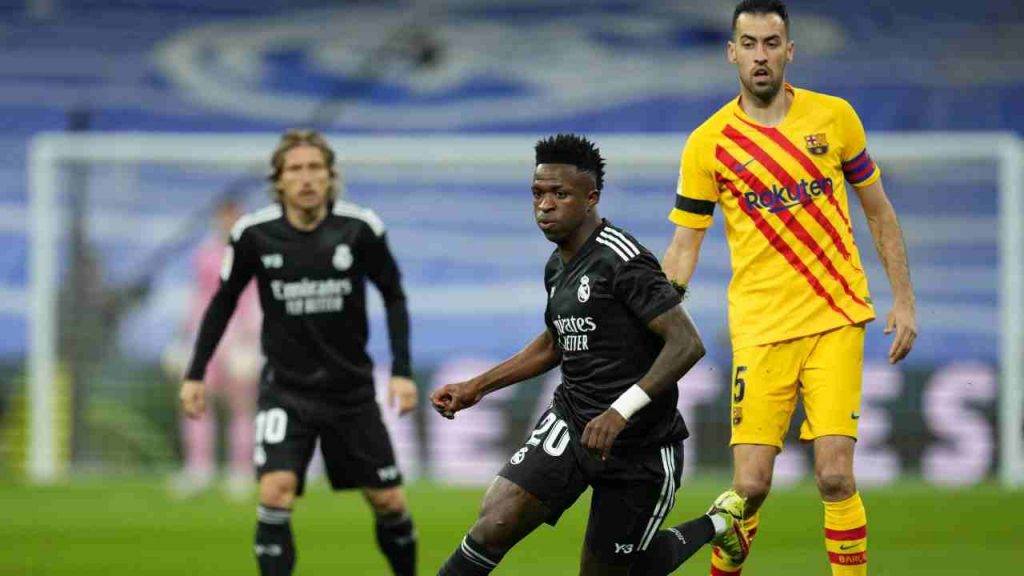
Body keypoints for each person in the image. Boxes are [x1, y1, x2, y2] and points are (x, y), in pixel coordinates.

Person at [662, 2, 917, 575]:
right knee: (749, 486)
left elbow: (878, 211)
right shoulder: (709, 143)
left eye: (771, 43)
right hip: (759, 329)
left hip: (836, 317)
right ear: (732, 53)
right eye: (748, 43)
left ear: (789, 51)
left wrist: (903, 299)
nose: (760, 55)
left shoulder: (835, 118)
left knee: (835, 473)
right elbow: (685, 245)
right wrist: (656, 316)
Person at [431, 134, 750, 576]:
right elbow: (552, 343)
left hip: (640, 445)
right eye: (538, 194)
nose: (545, 205)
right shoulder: (558, 265)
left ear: (590, 198)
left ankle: (720, 523)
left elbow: (687, 343)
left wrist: (620, 412)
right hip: (573, 422)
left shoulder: (623, 259)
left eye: (559, 194)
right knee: (494, 522)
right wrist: (476, 387)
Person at [179, 129, 419, 576]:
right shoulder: (254, 235)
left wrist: (402, 371)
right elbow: (222, 302)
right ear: (279, 180)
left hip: (351, 394)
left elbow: (393, 295)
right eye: (296, 169)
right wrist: (196, 373)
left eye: (315, 168)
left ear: (331, 177)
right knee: (275, 491)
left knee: (388, 500)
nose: (306, 178)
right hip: (286, 392)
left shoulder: (360, 228)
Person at [165, 199, 261, 499]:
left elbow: (257, 298)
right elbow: (198, 296)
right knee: (196, 403)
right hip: (206, 336)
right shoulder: (205, 254)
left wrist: (252, 338)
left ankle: (241, 471)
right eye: (224, 218)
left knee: (241, 406)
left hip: (239, 337)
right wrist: (183, 336)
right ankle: (198, 468)